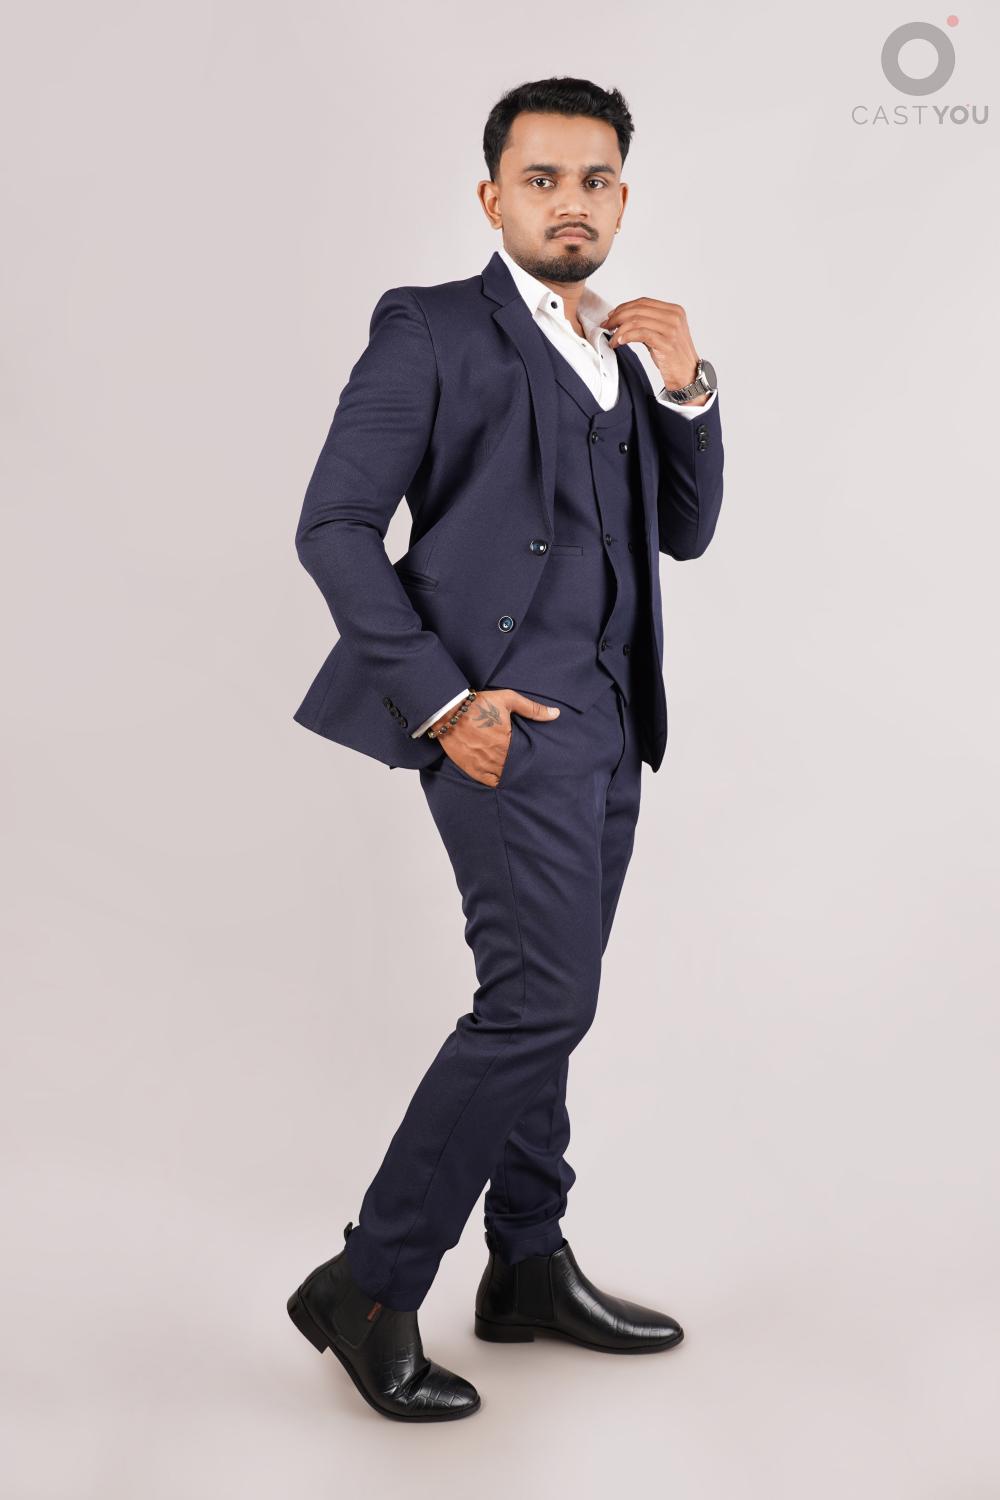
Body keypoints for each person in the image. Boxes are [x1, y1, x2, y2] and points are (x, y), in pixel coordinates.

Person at [286, 75, 725, 1422]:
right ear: (494, 198)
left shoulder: (626, 348)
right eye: (542, 180)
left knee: (549, 999)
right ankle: (370, 1282)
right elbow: (334, 526)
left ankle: (528, 1262)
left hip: (612, 723)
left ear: (622, 200)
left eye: (595, 181)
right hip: (498, 724)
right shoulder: (428, 328)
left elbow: (685, 533)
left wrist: (689, 389)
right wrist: (443, 704)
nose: (570, 203)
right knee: (540, 1003)